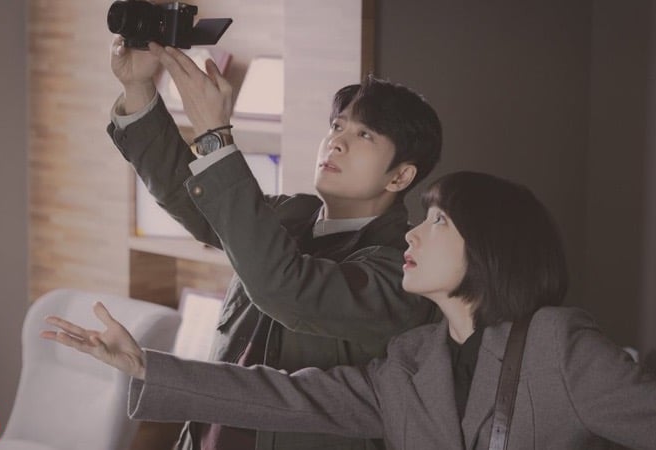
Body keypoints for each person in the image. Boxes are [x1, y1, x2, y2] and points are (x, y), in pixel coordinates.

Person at [43, 171, 656, 450]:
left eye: (437, 222)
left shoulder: (558, 348)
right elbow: (284, 398)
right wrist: (147, 368)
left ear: (490, 247)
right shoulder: (410, 363)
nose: (412, 235)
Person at [105, 36, 443, 450]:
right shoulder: (290, 215)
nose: (337, 142)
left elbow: (285, 287)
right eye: (337, 126)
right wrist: (138, 88)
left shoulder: (403, 271)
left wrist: (216, 136)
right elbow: (187, 194)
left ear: (400, 176)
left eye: (365, 135)